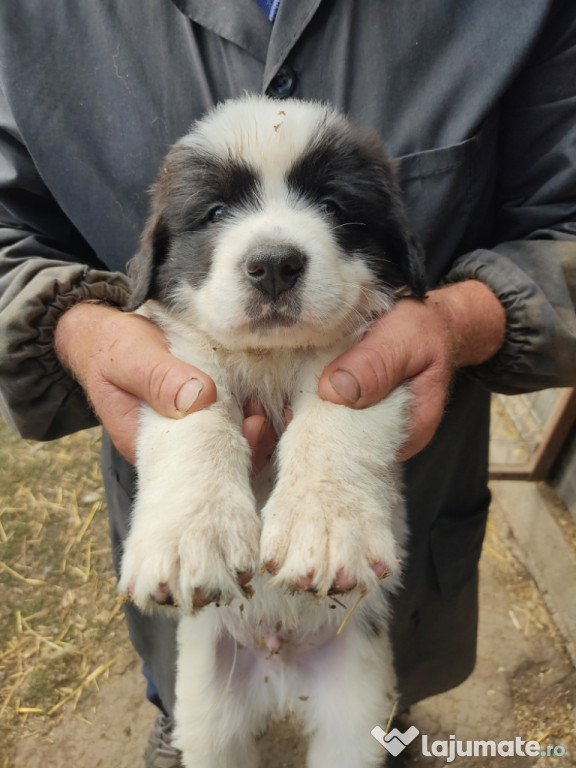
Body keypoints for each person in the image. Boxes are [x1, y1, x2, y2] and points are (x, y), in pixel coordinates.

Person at [1, 2, 575, 766]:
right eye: (214, 211)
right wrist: (75, 325)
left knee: (368, 736)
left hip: (361, 618)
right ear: (157, 254)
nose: (274, 249)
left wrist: (458, 317)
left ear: (395, 245)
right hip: (215, 624)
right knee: (203, 735)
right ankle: (177, 720)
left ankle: (391, 734)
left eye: (332, 205)